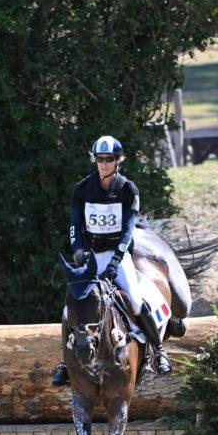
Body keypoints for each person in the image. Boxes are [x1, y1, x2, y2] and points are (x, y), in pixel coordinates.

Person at [51, 135, 172, 386]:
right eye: (100, 159)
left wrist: (117, 257)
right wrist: (78, 249)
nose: (104, 164)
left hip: (119, 254)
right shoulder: (83, 189)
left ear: (118, 161)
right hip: (92, 255)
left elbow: (128, 228)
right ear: (95, 160)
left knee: (136, 303)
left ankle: (159, 351)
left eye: (109, 159)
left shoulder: (127, 189)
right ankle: (65, 362)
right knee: (67, 312)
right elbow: (75, 223)